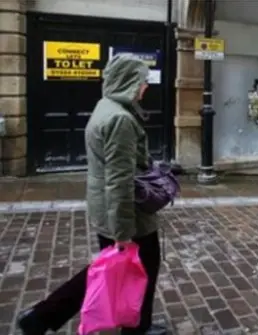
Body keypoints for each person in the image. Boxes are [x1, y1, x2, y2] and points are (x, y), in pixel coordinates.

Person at [18, 53, 166, 335]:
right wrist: (123, 231)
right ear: (128, 81)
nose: (145, 87)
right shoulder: (121, 119)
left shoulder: (105, 106)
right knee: (141, 268)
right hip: (126, 214)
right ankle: (136, 329)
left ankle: (40, 317)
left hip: (106, 208)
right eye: (141, 81)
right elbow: (119, 179)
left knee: (111, 268)